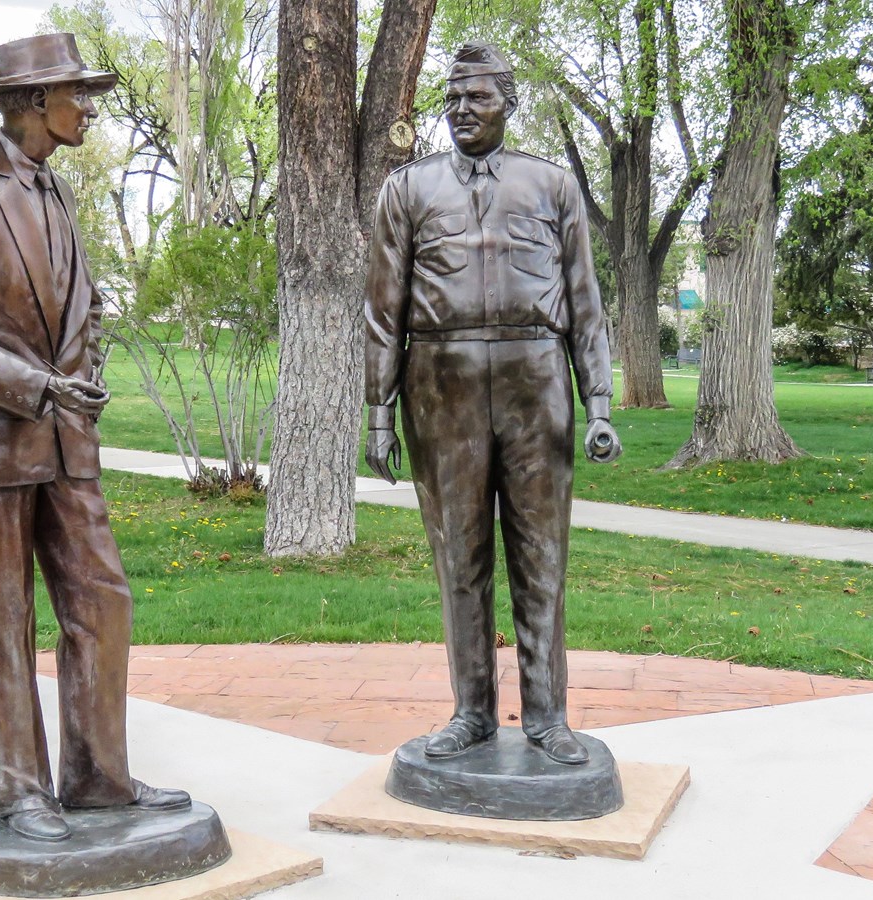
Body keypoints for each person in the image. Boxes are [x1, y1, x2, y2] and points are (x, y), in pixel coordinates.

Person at [0, 33, 187, 843]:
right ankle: (18, 792)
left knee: (102, 601)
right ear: (34, 103)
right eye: (78, 94)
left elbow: (80, 304)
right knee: (2, 618)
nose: (90, 108)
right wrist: (35, 386)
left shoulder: (54, 191)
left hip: (69, 441)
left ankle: (99, 778)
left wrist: (86, 364)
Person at [364, 41, 622, 766]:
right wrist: (379, 412)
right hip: (439, 385)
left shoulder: (552, 185)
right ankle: (471, 709)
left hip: (534, 382)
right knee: (460, 556)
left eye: (477, 98)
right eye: (451, 99)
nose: (461, 112)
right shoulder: (407, 190)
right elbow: (382, 311)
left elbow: (584, 303)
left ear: (509, 102)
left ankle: (547, 716)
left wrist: (598, 404)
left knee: (541, 555)